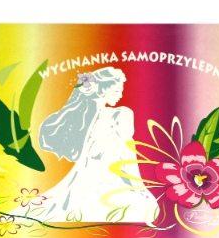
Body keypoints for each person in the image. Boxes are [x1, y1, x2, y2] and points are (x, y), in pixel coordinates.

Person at [38, 67, 158, 222]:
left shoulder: (87, 118)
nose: (121, 95)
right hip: (110, 181)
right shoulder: (121, 113)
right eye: (117, 91)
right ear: (103, 91)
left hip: (81, 185)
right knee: (145, 209)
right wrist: (138, 185)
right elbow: (127, 153)